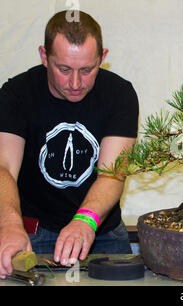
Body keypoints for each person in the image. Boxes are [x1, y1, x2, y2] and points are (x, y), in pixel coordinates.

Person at [0, 10, 139, 279]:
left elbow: (113, 172)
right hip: (33, 232)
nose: (76, 83)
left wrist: (84, 220)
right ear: (43, 56)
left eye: (87, 69)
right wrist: (8, 223)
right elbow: (3, 166)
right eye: (63, 69)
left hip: (102, 232)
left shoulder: (119, 94)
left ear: (103, 57)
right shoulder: (17, 94)